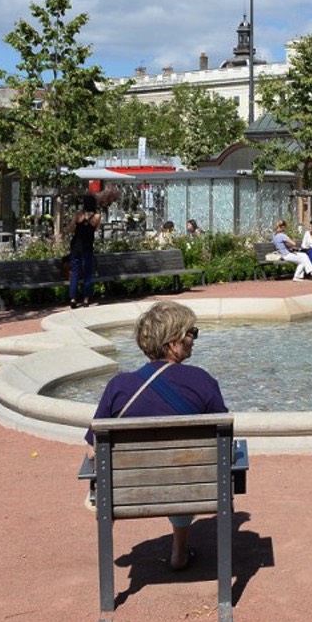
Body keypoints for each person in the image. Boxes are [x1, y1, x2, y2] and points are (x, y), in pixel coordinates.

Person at [88, 301, 225, 570]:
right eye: (191, 333)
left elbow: (92, 450)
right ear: (173, 342)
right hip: (190, 488)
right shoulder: (203, 382)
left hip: (128, 492)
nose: (194, 339)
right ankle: (179, 552)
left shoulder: (119, 386)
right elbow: (223, 444)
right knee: (184, 466)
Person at [69, 194, 101, 308]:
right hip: (87, 246)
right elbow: (96, 229)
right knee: (88, 274)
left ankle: (73, 298)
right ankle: (86, 299)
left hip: (76, 246)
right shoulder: (97, 216)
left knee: (75, 273)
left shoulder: (78, 215)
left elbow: (71, 228)